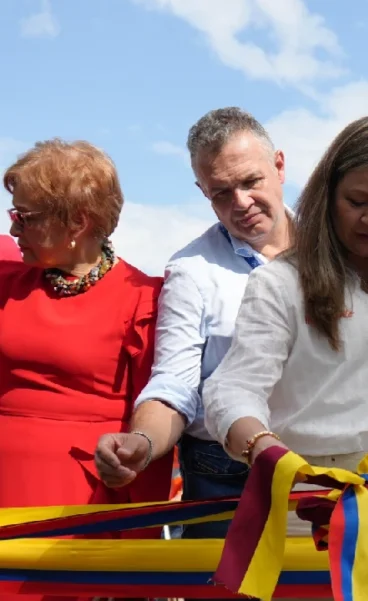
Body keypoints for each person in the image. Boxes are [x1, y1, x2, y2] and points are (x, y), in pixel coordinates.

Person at [202, 114, 368, 601]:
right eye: (357, 202)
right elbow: (232, 388)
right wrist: (262, 448)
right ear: (327, 196)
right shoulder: (280, 283)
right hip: (321, 497)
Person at [93, 107, 293, 549]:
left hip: (328, 463)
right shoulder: (191, 271)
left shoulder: (337, 248)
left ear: (279, 165)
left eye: (250, 182)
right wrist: (141, 442)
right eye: (221, 193)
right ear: (202, 191)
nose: (240, 203)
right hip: (229, 477)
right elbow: (174, 384)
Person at [0, 139, 175, 601]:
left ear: (78, 221)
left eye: (27, 216)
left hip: (78, 507)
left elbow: (157, 405)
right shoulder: (5, 278)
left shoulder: (144, 298)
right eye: (14, 213)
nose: (13, 226)